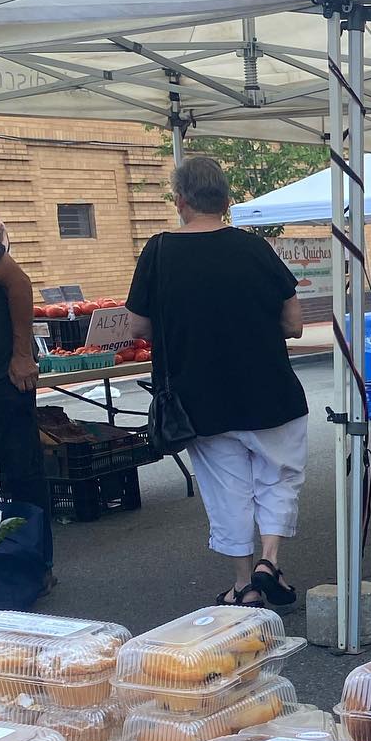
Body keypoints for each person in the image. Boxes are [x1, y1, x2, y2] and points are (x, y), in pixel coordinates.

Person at [125, 155, 307, 608]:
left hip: (200, 396)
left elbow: (138, 328)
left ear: (180, 199)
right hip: (270, 391)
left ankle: (244, 585)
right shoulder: (255, 248)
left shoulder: (159, 251)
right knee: (278, 478)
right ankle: (270, 560)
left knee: (226, 490)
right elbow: (294, 323)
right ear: (226, 200)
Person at [0, 214, 50, 565]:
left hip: (4, 376)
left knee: (23, 472)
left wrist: (23, 354)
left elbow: (20, 284)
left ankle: (38, 564)